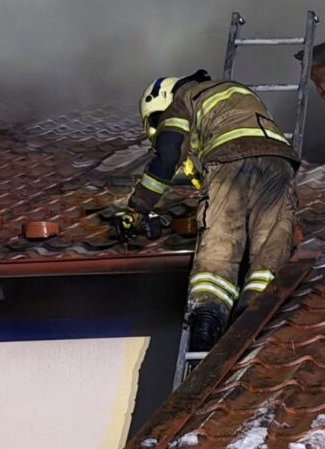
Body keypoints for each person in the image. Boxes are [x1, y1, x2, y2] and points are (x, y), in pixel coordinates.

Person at [116, 70, 299, 350]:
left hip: (230, 159)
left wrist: (137, 209)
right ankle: (254, 313)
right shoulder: (231, 92)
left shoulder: (183, 99)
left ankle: (207, 319)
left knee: (220, 243)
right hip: (280, 161)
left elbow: (167, 158)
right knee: (269, 243)